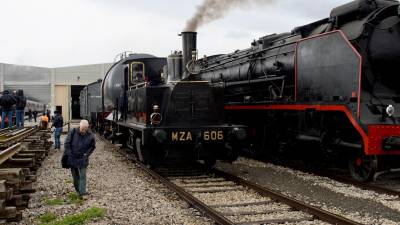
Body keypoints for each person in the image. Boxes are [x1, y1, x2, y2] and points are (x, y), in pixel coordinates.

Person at [64, 120, 95, 197]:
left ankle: (82, 192)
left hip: (83, 158)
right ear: (79, 127)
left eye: (85, 129)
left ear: (87, 128)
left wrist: (86, 154)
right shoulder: (73, 131)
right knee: (75, 176)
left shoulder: (90, 135)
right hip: (72, 157)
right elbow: (67, 143)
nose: (83, 131)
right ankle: (78, 190)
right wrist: (70, 154)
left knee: (83, 175)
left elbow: (92, 146)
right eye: (82, 129)